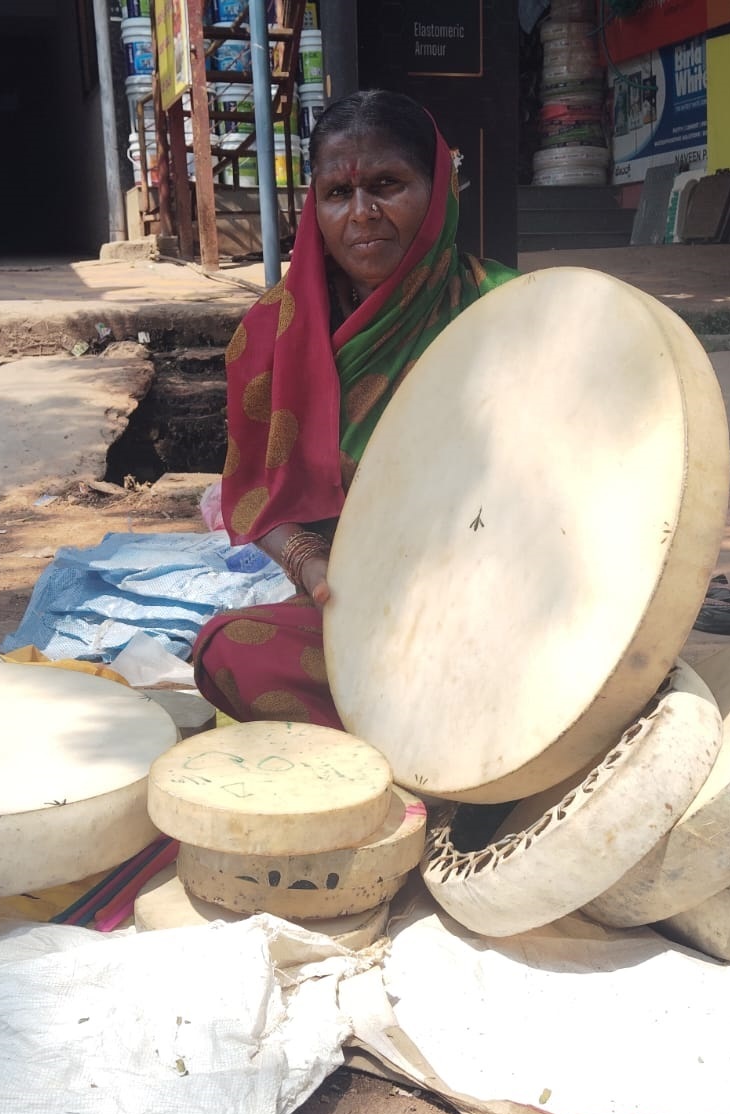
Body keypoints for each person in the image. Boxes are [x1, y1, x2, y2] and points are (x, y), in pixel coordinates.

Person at [192, 90, 516, 727]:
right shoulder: (268, 335)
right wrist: (313, 568)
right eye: (339, 195)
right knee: (228, 651)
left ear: (439, 186)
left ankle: (441, 729)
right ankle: (429, 736)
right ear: (316, 207)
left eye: (387, 184)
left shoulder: (503, 309)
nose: (362, 214)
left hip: (500, 595)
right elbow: (259, 496)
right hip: (353, 605)